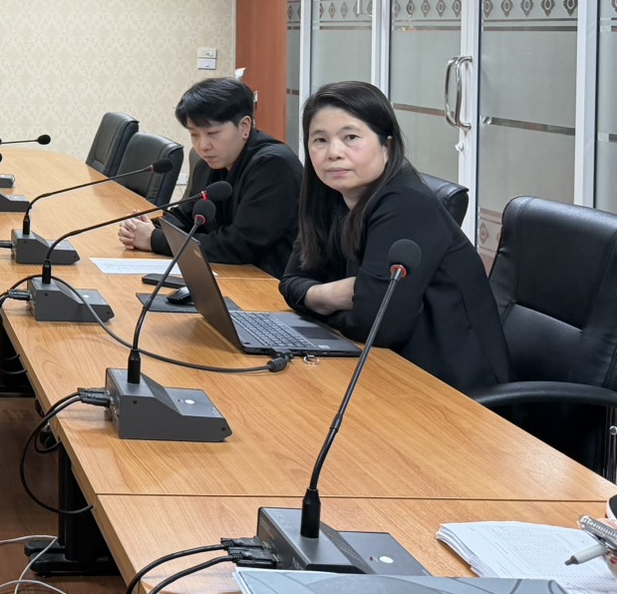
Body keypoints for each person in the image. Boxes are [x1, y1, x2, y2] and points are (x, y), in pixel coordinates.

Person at [279, 80, 509, 394]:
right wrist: (331, 295)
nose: (333, 153)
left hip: (448, 388)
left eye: (350, 138)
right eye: (320, 140)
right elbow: (291, 280)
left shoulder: (405, 204)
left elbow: (376, 324)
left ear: (387, 147)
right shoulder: (330, 196)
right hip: (386, 368)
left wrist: (318, 303)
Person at [118, 77, 302, 277]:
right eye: (194, 134)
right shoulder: (208, 164)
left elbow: (239, 245)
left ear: (244, 126)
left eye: (212, 133)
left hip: (267, 283)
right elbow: (186, 216)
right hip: (229, 274)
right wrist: (145, 227)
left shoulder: (274, 165)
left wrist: (155, 239)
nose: (203, 146)